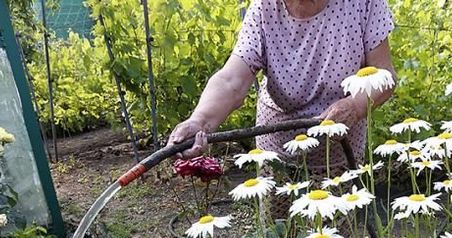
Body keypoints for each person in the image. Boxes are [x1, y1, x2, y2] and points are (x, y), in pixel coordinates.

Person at [168, 0, 396, 174]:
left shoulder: (363, 3)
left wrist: (354, 106)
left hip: (339, 146)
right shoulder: (265, 7)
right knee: (276, 231)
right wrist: (199, 121)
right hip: (277, 142)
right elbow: (231, 81)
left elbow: (384, 75)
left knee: (336, 230)